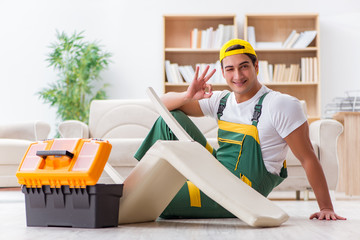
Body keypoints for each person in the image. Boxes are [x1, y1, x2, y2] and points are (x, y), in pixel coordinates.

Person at [134, 39, 346, 221]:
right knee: (169, 120)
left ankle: (142, 191)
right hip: (215, 172)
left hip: (240, 193)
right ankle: (139, 180)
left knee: (154, 199)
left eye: (244, 66)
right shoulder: (221, 101)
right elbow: (159, 105)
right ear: (223, 73)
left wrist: (326, 208)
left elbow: (308, 158)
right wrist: (187, 96)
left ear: (256, 66)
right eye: (230, 69)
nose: (237, 75)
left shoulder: (280, 105)